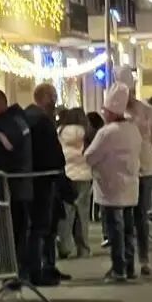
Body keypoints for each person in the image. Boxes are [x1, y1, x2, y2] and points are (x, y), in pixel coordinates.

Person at [85, 84, 142, 282]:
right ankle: (129, 265)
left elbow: (91, 155)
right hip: (130, 185)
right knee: (128, 229)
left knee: (115, 230)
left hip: (110, 186)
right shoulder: (133, 130)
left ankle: (119, 269)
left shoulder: (107, 133)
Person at [0, 88, 35, 286]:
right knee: (10, 231)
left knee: (14, 231)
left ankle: (15, 271)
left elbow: (9, 148)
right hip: (12, 185)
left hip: (14, 186)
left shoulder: (11, 123)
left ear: (1, 103)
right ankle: (10, 270)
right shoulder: (12, 121)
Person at [124, 79, 152, 276]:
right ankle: (126, 261)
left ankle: (143, 259)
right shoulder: (116, 113)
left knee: (140, 215)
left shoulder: (149, 113)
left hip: (144, 170)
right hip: (124, 171)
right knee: (124, 216)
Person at [25, 84, 66, 285]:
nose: (55, 101)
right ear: (45, 97)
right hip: (42, 180)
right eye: (53, 97)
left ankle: (46, 266)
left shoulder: (29, 117)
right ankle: (38, 270)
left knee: (44, 227)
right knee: (41, 228)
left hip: (35, 180)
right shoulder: (40, 120)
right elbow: (51, 151)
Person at [58, 108, 94, 259]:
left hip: (66, 174)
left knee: (66, 214)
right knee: (83, 214)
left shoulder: (60, 131)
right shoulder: (88, 132)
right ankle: (83, 248)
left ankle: (64, 247)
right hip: (84, 175)